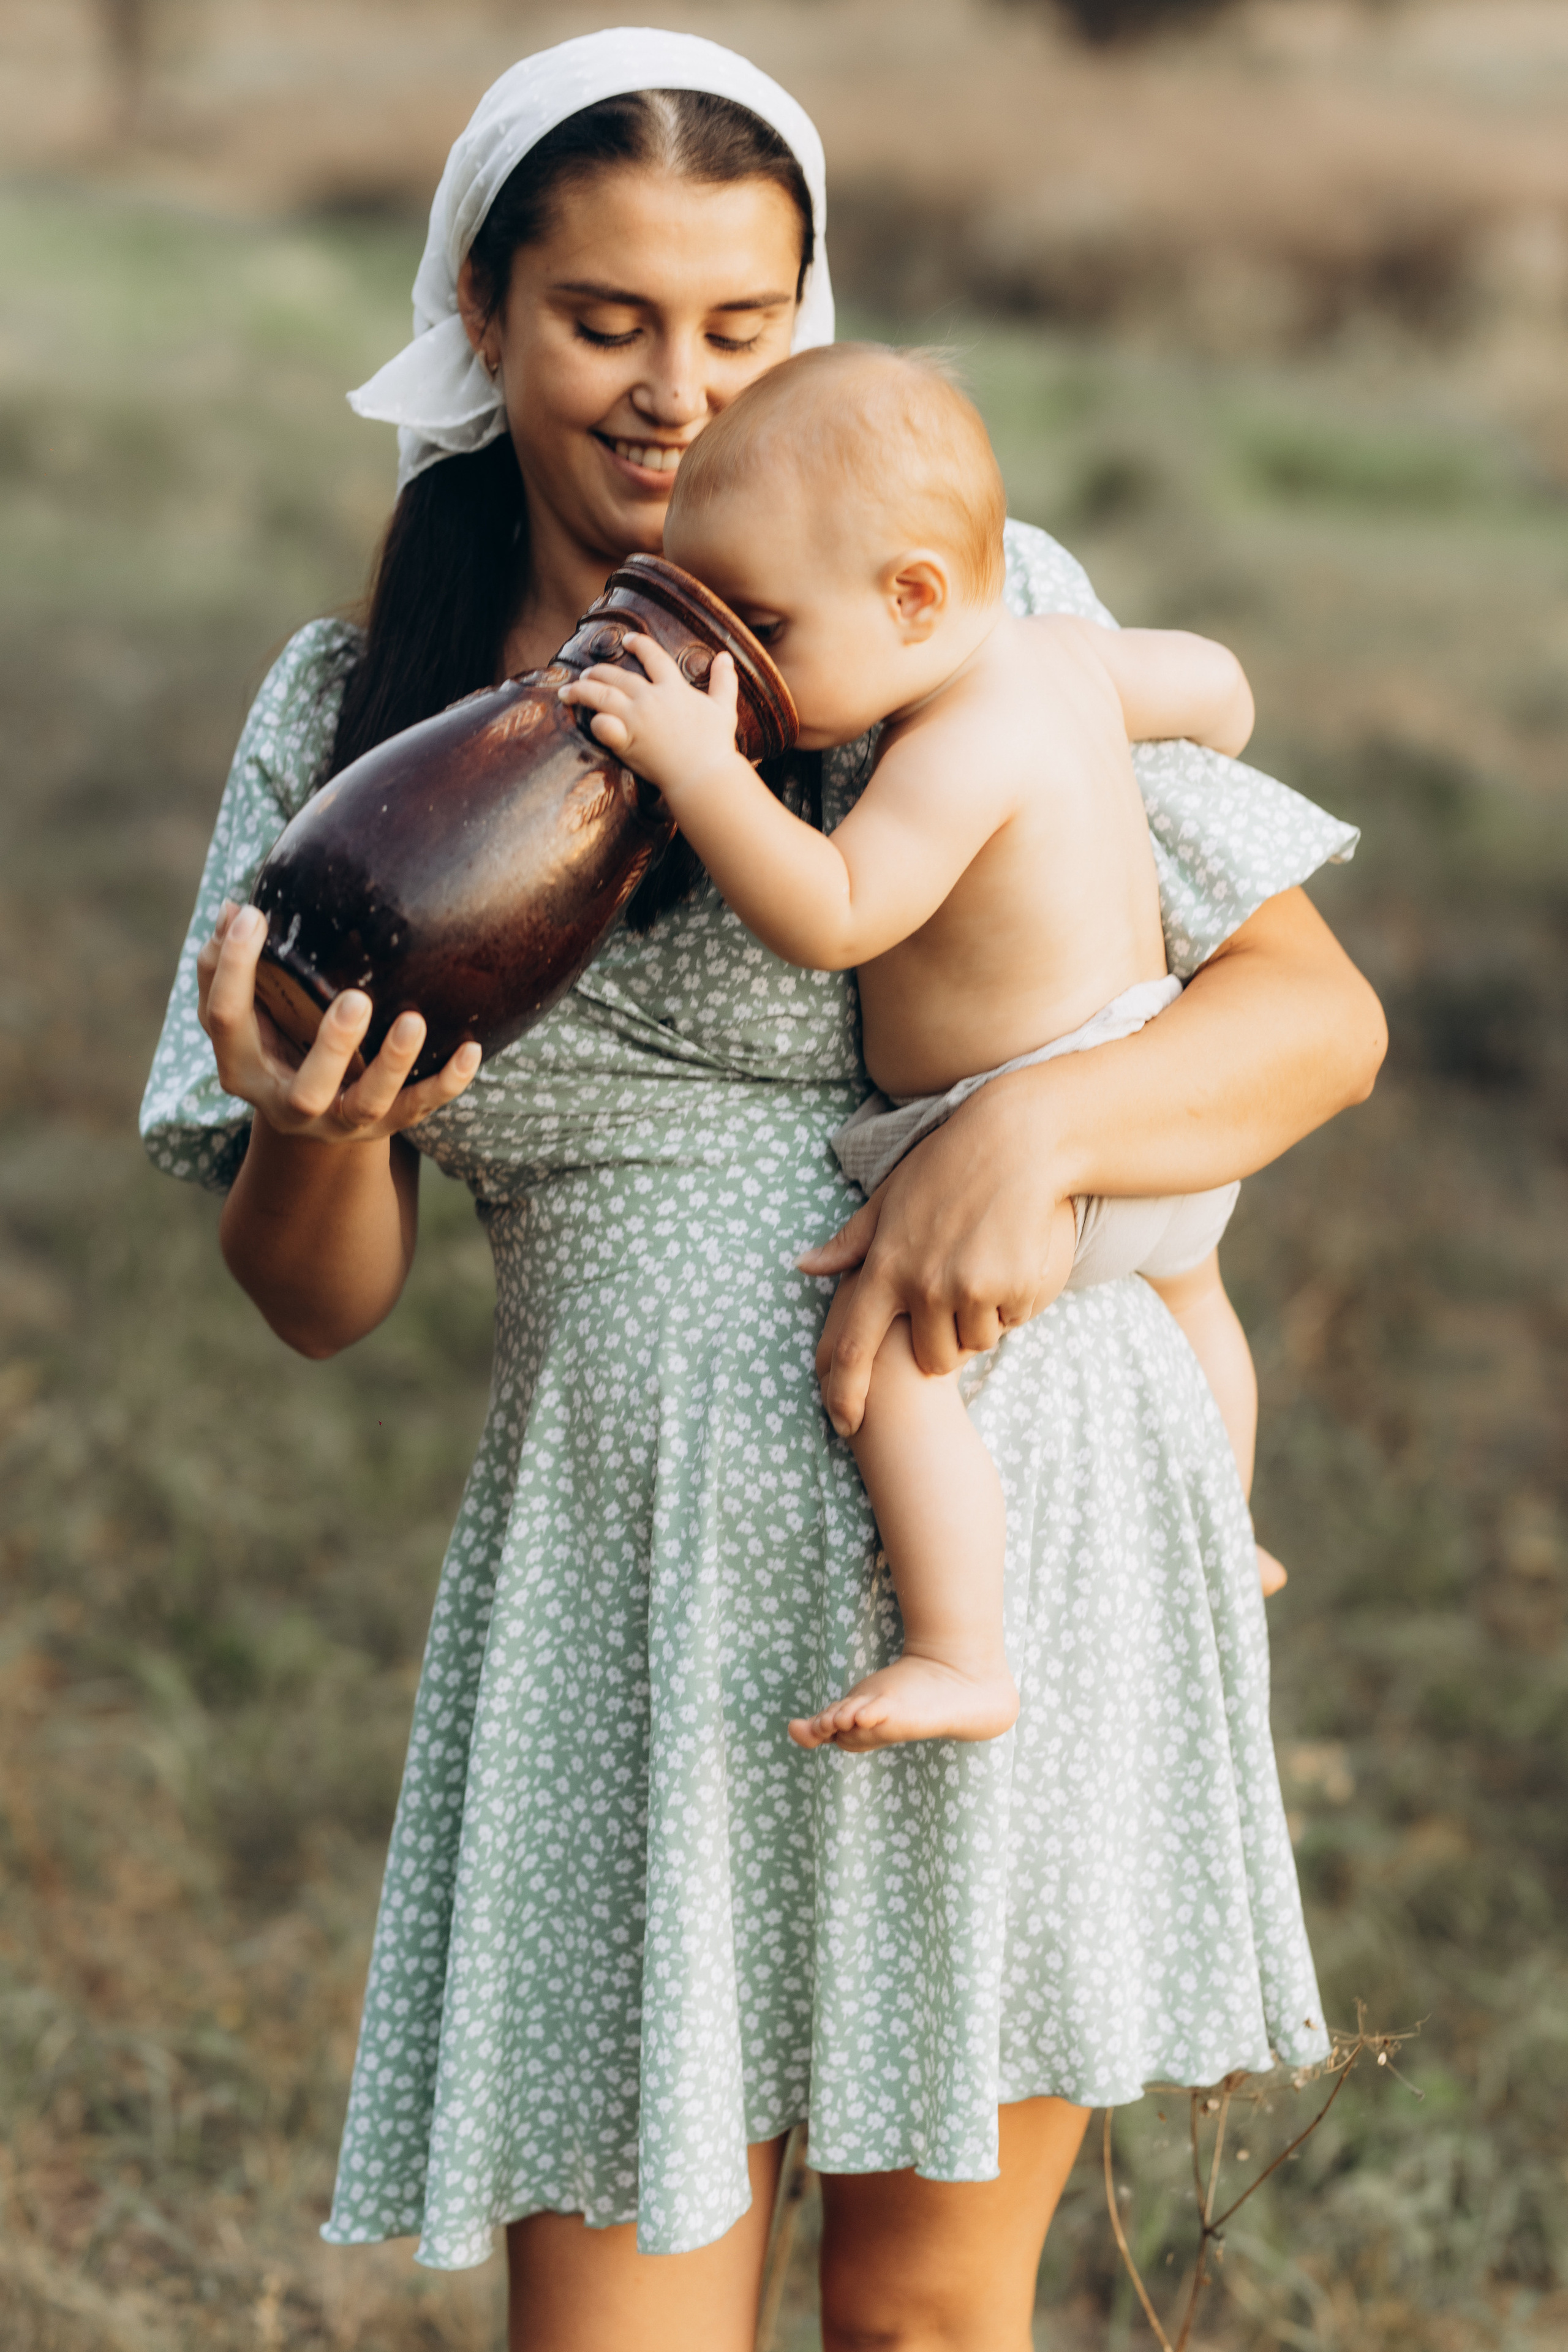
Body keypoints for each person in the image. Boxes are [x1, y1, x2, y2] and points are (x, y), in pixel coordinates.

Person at [140, 31, 1385, 2352]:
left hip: (1010, 1530)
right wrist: (320, 1137)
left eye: (743, 329)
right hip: (631, 1580)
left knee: (928, 2322)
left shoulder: (947, 614)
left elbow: (1321, 1026)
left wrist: (1034, 1132)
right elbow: (315, 1306)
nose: (674, 399)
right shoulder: (358, 722)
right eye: (607, 322)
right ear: (484, 313)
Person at [562, 342, 1286, 1754]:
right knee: (1190, 1300)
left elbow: (834, 914)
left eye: (765, 626)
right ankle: (1230, 1524)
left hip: (1023, 1132)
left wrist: (699, 766)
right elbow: (1218, 680)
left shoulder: (952, 746)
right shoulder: (1065, 659)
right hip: (1152, 1113)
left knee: (889, 1358)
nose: (742, 668)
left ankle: (961, 1649)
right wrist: (1212, 720)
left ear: (910, 599)